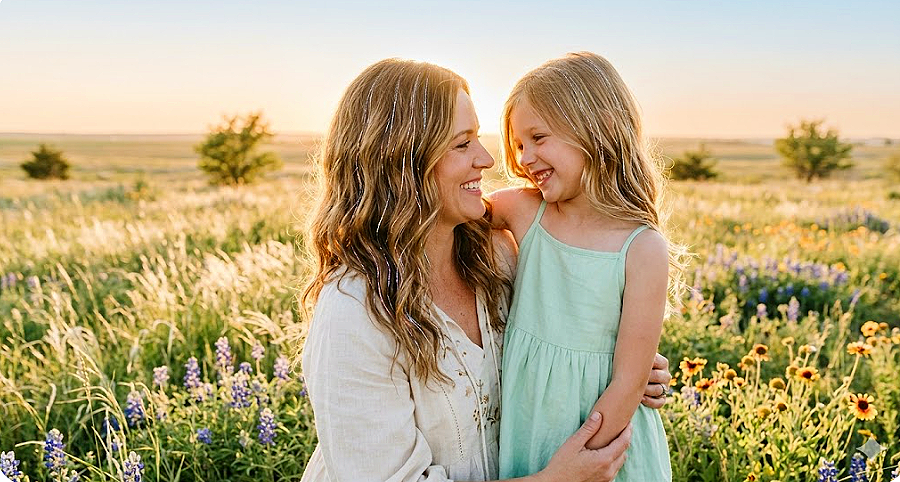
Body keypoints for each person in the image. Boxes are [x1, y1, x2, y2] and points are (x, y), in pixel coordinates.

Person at [299, 58, 672, 482]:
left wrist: (620, 367)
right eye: (462, 144)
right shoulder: (354, 311)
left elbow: (565, 332)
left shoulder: (498, 258)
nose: (490, 159)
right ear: (400, 164)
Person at [491, 52, 682, 481]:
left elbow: (631, 381)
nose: (525, 157)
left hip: (605, 446)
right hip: (530, 432)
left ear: (596, 130)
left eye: (538, 138)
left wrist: (583, 465)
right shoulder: (525, 212)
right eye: (519, 144)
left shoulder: (642, 248)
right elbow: (448, 211)